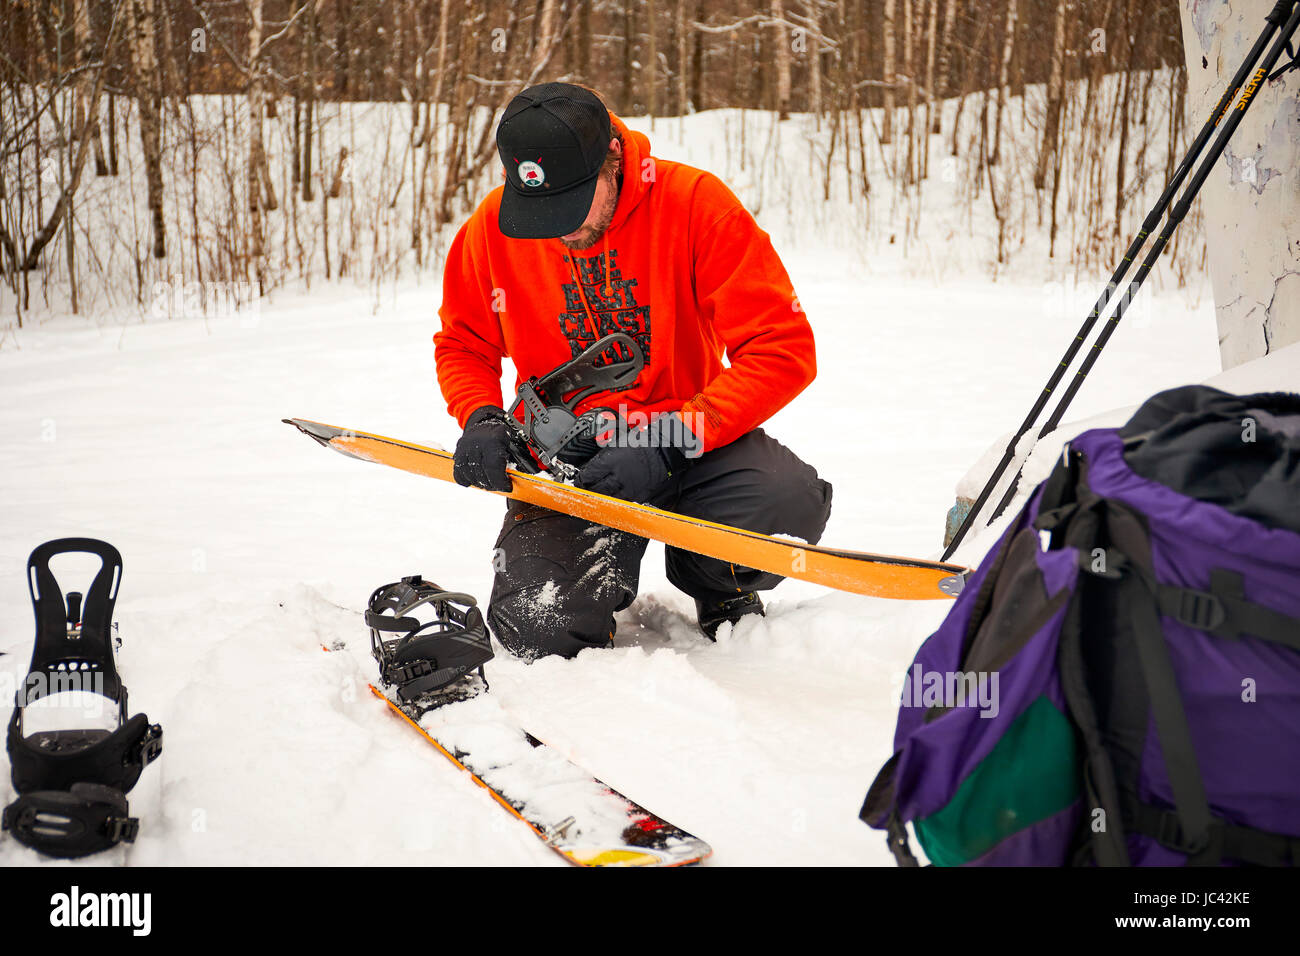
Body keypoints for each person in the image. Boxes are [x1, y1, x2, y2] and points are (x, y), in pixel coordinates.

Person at [435, 82, 832, 660]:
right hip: (576, 468)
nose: (559, 229)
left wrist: (666, 442)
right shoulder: (492, 227)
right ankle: (594, 578)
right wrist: (481, 416)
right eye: (540, 212)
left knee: (783, 500)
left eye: (572, 205)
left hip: (691, 443)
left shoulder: (696, 204)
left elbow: (781, 348)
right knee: (537, 624)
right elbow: (464, 342)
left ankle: (717, 581)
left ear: (614, 159)